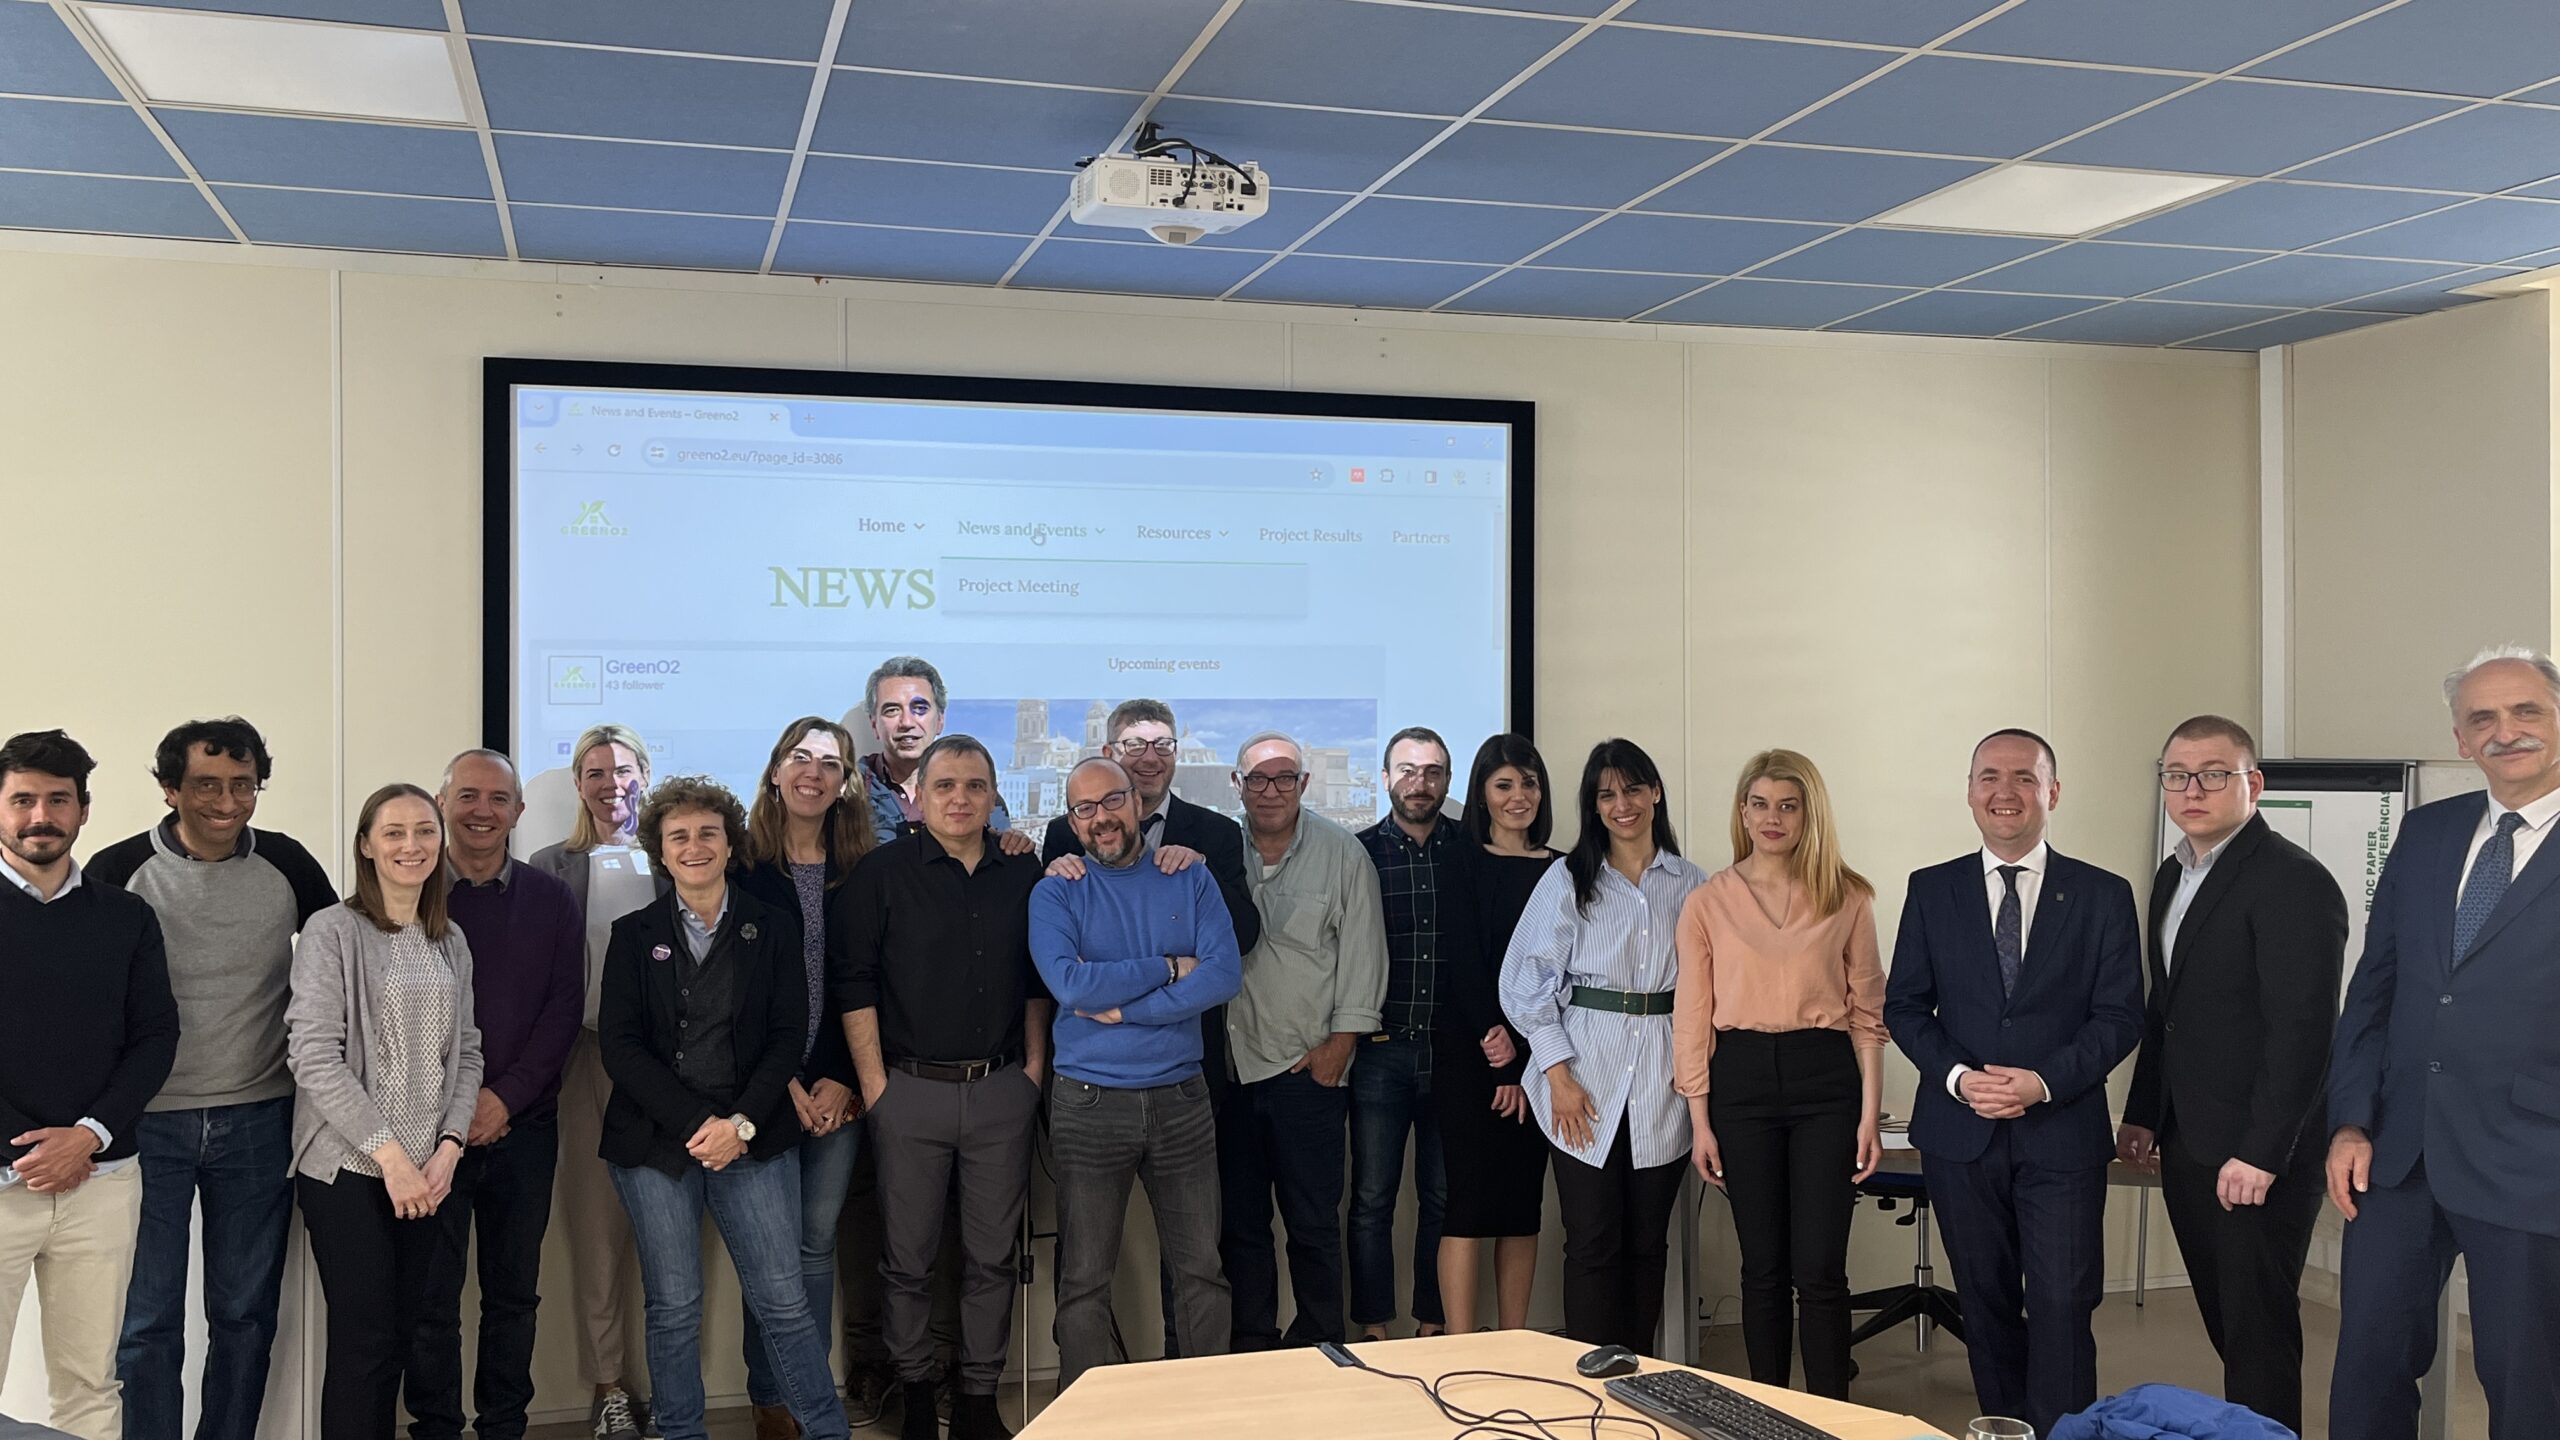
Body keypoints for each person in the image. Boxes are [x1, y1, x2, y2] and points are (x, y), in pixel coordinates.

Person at [2329, 646, 2560, 1440]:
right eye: (2482, 718)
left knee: (2527, 1388)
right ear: (2461, 740)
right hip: (2398, 1156)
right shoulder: (2428, 832)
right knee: (2367, 1371)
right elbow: (2375, 988)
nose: (2505, 731)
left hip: (2534, 1161)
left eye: (2526, 711)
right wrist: (2351, 1120)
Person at [1883, 729, 2142, 1438]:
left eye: (2025, 777)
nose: (2006, 792)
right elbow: (1905, 1006)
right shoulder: (1932, 889)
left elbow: (2121, 1016)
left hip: (2061, 1135)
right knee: (1986, 1303)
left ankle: (2063, 1432)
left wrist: (2042, 1082)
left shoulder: (2102, 893)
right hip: (1959, 1135)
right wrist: (1960, 1078)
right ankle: (2005, 1431)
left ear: (2052, 792)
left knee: (2063, 1304)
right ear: (1970, 792)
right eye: (1990, 777)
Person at [90, 717, 336, 1440]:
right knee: (146, 1322)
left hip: (261, 1118)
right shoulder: (118, 868)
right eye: (206, 785)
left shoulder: (287, 863)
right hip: (147, 1123)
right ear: (170, 789)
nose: (227, 802)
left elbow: (341, 959)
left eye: (243, 785)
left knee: (244, 1316)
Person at [598, 778, 849, 1440]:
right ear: (660, 850)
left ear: (731, 843)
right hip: (656, 1142)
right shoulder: (633, 935)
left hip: (753, 1135)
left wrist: (738, 1125)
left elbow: (786, 1038)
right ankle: (682, 1432)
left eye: (708, 833)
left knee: (784, 1302)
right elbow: (621, 1047)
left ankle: (827, 1431)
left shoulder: (773, 927)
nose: (694, 846)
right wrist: (698, 1125)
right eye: (678, 836)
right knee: (673, 1306)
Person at [2114, 716, 2344, 1433]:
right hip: (2190, 1140)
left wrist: (2262, 1153)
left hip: (2257, 1152)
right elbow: (2167, 1009)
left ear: (2254, 784)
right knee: (2226, 1320)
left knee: (2258, 1333)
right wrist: (2143, 1111)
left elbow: (2303, 1034)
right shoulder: (2172, 875)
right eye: (2177, 775)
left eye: (2214, 774)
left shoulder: (2293, 881)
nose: (2193, 789)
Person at [832, 734, 1049, 1440]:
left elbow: (1038, 980)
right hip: (908, 1092)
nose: (960, 798)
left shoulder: (1023, 871)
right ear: (918, 797)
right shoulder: (880, 873)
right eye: (945, 786)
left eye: (975, 786)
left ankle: (980, 1397)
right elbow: (855, 983)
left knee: (992, 1258)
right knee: (907, 1261)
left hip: (1001, 1090)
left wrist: (1033, 1070)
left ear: (993, 796)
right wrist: (875, 1084)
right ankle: (919, 1396)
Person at [1038, 698, 1261, 1361]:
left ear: (1137, 802)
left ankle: (1200, 1408)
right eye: (1084, 808)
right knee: (1083, 1282)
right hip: (1088, 1103)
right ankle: (1087, 1411)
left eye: (1113, 801)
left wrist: (1129, 1008)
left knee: (1201, 1275)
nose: (1101, 817)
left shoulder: (1189, 876)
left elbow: (1222, 976)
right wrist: (1168, 967)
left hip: (1181, 1099)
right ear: (1072, 821)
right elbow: (1073, 987)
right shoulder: (1056, 890)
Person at [1672, 749, 1886, 1400]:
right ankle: (1768, 1411)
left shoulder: (1848, 895)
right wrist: (1700, 1122)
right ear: (1742, 812)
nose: (1773, 818)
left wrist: (1870, 1116)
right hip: (1740, 1084)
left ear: (1808, 814)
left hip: (1826, 1081)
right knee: (1762, 1267)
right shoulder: (1707, 902)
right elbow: (1693, 1018)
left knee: (1820, 1268)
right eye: (1760, 804)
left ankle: (1830, 1414)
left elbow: (1868, 1015)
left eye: (1788, 806)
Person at [284, 783, 484, 1440]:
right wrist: (391, 1158)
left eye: (424, 831)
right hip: (349, 1169)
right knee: (364, 1344)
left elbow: (468, 1053)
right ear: (366, 846)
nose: (411, 845)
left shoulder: (450, 939)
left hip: (430, 1172)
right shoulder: (332, 931)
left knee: (410, 1337)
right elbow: (314, 1056)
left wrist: (449, 1147)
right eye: (393, 832)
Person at [0, 730, 178, 1440]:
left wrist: (88, 1136)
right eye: (23, 800)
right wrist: (28, 1152)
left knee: (90, 1384)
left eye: (58, 800)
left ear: (83, 809)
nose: (40, 816)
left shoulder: (126, 916)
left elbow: (155, 1036)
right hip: (2, 1183)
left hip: (100, 1183)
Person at [1499, 738, 1704, 1354]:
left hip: (1664, 1082)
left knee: (1647, 1245)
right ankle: (1587, 1375)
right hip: (1583, 1080)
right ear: (1593, 805)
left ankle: (1639, 1377)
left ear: (1656, 792)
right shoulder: (1569, 879)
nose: (1622, 805)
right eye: (1606, 794)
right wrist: (1557, 1075)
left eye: (1633, 789)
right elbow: (1525, 981)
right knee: (1592, 1242)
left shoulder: (1693, 884)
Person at [409, 750, 585, 1440]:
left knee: (513, 1296)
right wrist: (456, 1113)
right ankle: (435, 1427)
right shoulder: (409, 892)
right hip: (427, 1135)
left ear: (517, 812)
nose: (482, 811)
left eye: (498, 799)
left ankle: (504, 1425)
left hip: (523, 1129)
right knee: (431, 1300)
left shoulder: (551, 899)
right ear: (442, 803)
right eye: (468, 796)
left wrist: (503, 1100)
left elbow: (563, 1010)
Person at [1221, 731, 1388, 1352]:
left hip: (1306, 1073)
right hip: (1231, 1074)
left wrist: (1337, 1051)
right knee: (1241, 1229)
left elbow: (1365, 959)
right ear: (1237, 786)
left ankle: (1320, 1343)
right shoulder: (1216, 849)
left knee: (1314, 1227)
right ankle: (1253, 1347)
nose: (1271, 791)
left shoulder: (1342, 854)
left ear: (1304, 784)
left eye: (1284, 778)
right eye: (1257, 779)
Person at [527, 722, 667, 1440]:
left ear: (646, 773)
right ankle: (610, 1385)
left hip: (673, 1069)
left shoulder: (678, 855)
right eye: (596, 772)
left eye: (623, 769)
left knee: (670, 1236)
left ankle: (674, 1389)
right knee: (597, 1232)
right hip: (585, 1061)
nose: (613, 784)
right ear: (579, 785)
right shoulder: (549, 867)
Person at [734, 718, 871, 1440]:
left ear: (846, 782)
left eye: (830, 762)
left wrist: (842, 1078)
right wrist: (781, 1081)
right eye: (800, 757)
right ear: (776, 770)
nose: (813, 772)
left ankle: (808, 1397)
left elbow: (873, 982)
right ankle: (770, 1397)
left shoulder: (865, 870)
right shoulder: (742, 866)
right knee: (771, 1257)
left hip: (838, 1091)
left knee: (815, 1248)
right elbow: (733, 989)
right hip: (765, 1087)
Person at [1348, 727, 1467, 1342]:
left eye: (1433, 772)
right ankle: (1373, 1327)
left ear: (1447, 780)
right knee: (1372, 1199)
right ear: (1386, 778)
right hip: (1380, 1053)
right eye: (1407, 771)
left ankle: (1432, 1323)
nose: (1420, 783)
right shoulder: (1357, 853)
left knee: (1443, 1198)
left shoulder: (1470, 850)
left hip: (1453, 1055)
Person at [1438, 734, 1556, 1334]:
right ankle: (1460, 1349)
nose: (1518, 797)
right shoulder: (1460, 861)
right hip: (1470, 1055)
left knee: (1521, 1207)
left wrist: (1528, 1057)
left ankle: (1514, 1339)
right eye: (1504, 784)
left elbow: (1562, 970)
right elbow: (1464, 962)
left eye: (1529, 783)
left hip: (1542, 1056)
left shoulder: (1563, 869)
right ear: (1481, 793)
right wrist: (1500, 1056)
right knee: (1467, 1205)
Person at [854, 657, 1014, 845]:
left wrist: (1014, 842)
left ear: (940, 720)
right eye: (892, 710)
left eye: (920, 708)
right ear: (874, 724)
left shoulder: (976, 792)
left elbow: (1001, 850)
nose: (906, 722)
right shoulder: (851, 789)